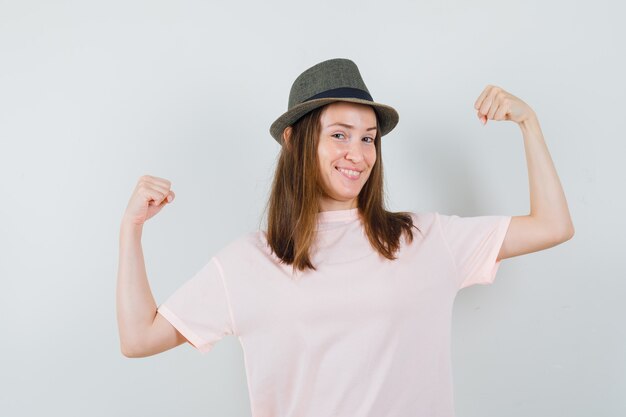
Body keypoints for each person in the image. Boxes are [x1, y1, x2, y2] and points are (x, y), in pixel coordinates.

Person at [116, 58, 574, 416]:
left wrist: (528, 124)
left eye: (369, 138)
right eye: (340, 134)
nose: (357, 154)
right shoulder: (248, 262)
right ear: (295, 141)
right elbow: (139, 338)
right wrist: (131, 230)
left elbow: (552, 226)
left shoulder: (423, 239)